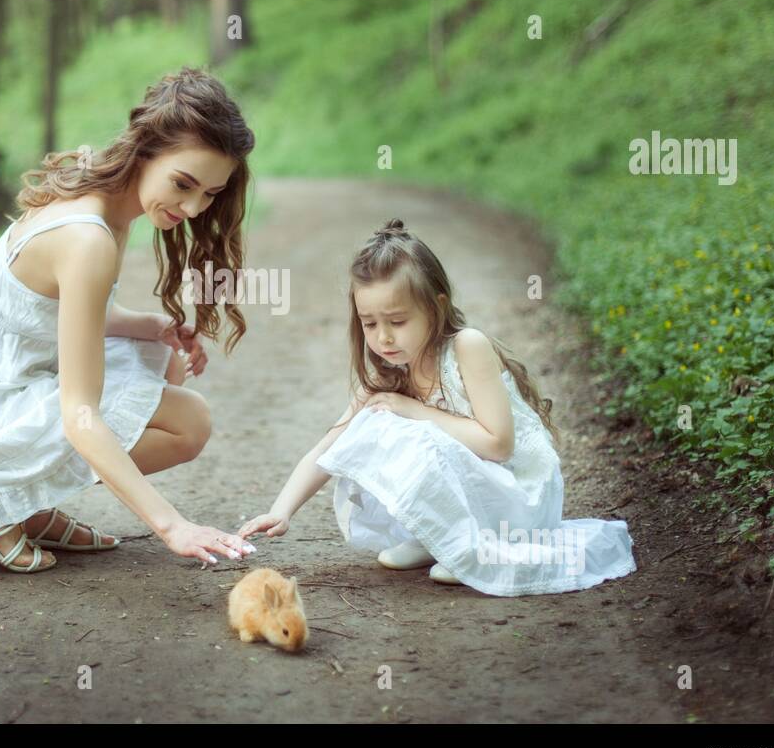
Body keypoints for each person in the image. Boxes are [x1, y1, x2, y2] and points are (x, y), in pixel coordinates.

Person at [0, 68, 258, 573]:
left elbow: (53, 309)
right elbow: (79, 416)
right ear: (146, 149)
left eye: (210, 194)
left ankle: (27, 504)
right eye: (183, 184)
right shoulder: (89, 238)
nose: (193, 209)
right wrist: (173, 526)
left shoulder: (107, 197)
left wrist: (155, 327)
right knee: (188, 422)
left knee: (161, 361)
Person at [239, 218, 637, 596]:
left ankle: (472, 546)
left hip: (518, 502)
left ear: (436, 306)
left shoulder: (467, 347)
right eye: (370, 323)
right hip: (480, 492)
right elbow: (331, 444)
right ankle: (438, 536)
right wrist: (283, 509)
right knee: (375, 421)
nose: (383, 337)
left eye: (397, 320)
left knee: (402, 422)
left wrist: (411, 409)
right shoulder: (388, 372)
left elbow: (498, 444)